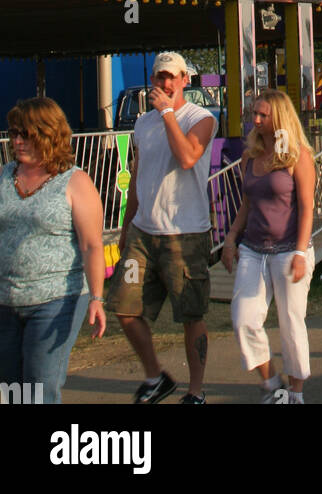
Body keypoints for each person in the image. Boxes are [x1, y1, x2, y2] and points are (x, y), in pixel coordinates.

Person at [107, 51, 217, 404]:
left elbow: (187, 157)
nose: (165, 84)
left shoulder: (199, 117)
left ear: (185, 79)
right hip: (144, 230)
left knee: (190, 315)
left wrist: (169, 113)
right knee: (124, 308)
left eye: (172, 77)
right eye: (160, 77)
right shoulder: (142, 124)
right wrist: (126, 226)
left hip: (184, 232)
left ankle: (195, 391)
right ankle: (156, 377)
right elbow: (139, 175)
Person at [0, 98, 106, 404]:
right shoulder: (6, 175)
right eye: (13, 133)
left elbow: (91, 245)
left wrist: (97, 298)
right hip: (6, 300)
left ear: (48, 135)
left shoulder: (75, 181)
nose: (16, 140)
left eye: (25, 134)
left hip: (55, 301)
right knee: (10, 392)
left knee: (38, 391)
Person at [222, 90, 315, 404]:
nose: (256, 120)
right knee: (244, 319)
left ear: (279, 117)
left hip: (290, 249)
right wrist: (231, 238)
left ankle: (296, 393)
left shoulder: (297, 155)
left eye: (263, 115)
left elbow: (307, 206)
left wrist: (301, 252)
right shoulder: (250, 155)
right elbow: (247, 204)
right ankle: (274, 386)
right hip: (254, 249)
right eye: (254, 114)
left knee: (291, 322)